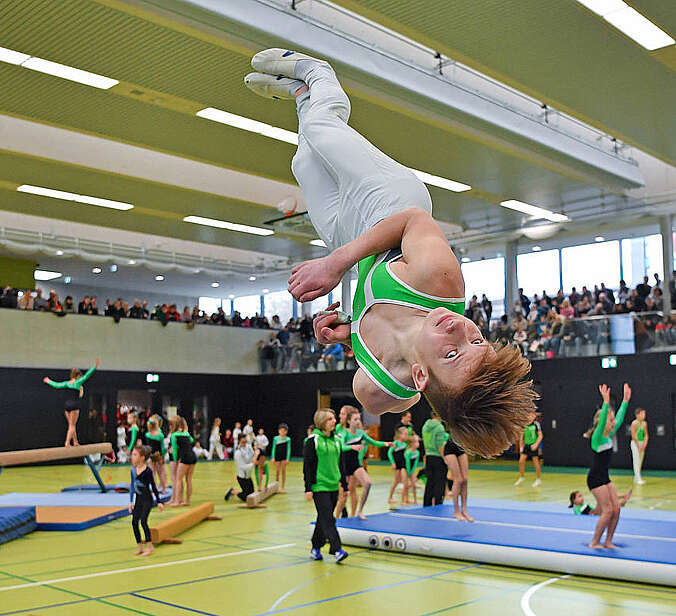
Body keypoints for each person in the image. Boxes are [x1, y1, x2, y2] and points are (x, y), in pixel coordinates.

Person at [246, 48, 537, 458]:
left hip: (349, 234)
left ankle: (300, 94)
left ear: (419, 376)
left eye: (453, 353)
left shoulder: (377, 385)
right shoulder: (439, 280)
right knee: (321, 128)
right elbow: (412, 220)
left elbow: (384, 343)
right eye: (478, 342)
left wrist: (346, 336)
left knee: (304, 163)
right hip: (390, 203)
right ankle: (316, 73)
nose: (461, 329)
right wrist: (335, 264)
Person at [584, 383, 631, 549]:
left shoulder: (609, 434)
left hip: (605, 477)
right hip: (595, 479)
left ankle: (608, 541)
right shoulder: (597, 437)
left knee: (616, 509)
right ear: (603, 422)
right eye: (610, 421)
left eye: (612, 421)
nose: (613, 423)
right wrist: (605, 403)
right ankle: (594, 542)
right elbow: (604, 419)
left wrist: (625, 401)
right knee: (608, 511)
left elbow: (618, 419)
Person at [303, 408, 349, 563]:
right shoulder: (313, 440)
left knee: (323, 518)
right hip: (319, 486)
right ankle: (337, 549)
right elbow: (307, 466)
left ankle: (315, 548)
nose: (334, 421)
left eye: (334, 418)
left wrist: (345, 484)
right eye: (330, 419)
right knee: (329, 518)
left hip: (333, 486)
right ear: (322, 422)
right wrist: (308, 488)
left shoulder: (337, 440)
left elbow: (341, 464)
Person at [338, 407, 391, 518]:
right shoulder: (344, 433)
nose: (358, 422)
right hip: (343, 466)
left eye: (359, 419)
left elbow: (374, 443)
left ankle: (359, 511)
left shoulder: (361, 433)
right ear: (349, 421)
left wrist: (386, 444)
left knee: (367, 483)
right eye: (355, 419)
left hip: (355, 465)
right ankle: (335, 517)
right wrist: (352, 446)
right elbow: (341, 447)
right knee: (343, 496)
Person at [43, 358, 99, 446]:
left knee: (71, 425)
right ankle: (67, 442)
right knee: (72, 425)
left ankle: (75, 442)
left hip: (66, 406)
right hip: (74, 405)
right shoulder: (78, 382)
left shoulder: (67, 383)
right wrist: (94, 367)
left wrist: (49, 381)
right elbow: (87, 376)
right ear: (77, 376)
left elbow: (57, 385)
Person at [129, 445, 164, 557]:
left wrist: (158, 501)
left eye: (135, 455)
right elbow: (132, 487)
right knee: (134, 522)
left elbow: (153, 487)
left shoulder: (148, 471)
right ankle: (140, 547)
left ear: (142, 457)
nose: (132, 457)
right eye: (132, 454)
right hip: (138, 500)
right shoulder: (133, 471)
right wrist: (130, 502)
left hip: (147, 500)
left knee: (143, 521)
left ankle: (149, 546)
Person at [443, 432, 473, 521]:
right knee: (458, 479)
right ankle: (456, 511)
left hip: (461, 447)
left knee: (465, 479)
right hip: (450, 449)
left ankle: (464, 510)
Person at [422, 409, 447, 506]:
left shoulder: (425, 426)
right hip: (438, 458)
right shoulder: (439, 427)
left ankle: (427, 503)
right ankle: (438, 504)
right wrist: (445, 459)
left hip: (429, 456)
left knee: (429, 482)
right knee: (439, 483)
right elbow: (440, 446)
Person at [226, 434, 259, 502]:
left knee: (252, 495)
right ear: (239, 441)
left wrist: (256, 454)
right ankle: (232, 491)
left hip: (248, 476)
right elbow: (243, 467)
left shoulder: (249, 447)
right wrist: (253, 464)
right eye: (242, 441)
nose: (244, 442)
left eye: (245, 440)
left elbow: (253, 455)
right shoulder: (238, 453)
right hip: (242, 477)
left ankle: (236, 492)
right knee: (246, 498)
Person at [171, 417, 196, 507]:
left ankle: (177, 501)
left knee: (178, 479)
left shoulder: (174, 435)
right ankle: (187, 501)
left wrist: (175, 460)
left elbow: (174, 450)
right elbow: (192, 440)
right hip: (193, 456)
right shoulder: (187, 433)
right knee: (188, 479)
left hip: (185, 458)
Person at [515, 414, 544, 487]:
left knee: (535, 462)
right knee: (521, 461)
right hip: (526, 445)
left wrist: (536, 444)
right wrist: (521, 447)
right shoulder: (524, 425)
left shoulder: (536, 425)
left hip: (533, 445)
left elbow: (540, 435)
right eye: (529, 416)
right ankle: (521, 477)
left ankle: (538, 479)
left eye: (532, 416)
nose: (530, 417)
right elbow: (521, 437)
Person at [144, 416, 167, 493]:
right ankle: (163, 489)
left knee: (152, 473)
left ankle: (154, 489)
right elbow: (162, 447)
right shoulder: (160, 435)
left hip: (151, 455)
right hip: (158, 454)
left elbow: (147, 447)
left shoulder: (147, 434)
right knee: (161, 473)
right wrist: (162, 457)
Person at [387, 426, 409, 505]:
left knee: (405, 482)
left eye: (407, 434)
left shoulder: (405, 444)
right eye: (405, 434)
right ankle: (390, 497)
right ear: (400, 435)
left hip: (403, 464)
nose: (407, 436)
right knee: (396, 481)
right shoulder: (395, 443)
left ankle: (404, 500)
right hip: (397, 464)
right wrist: (393, 463)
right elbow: (389, 453)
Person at [630, 407, 648, 485]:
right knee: (636, 460)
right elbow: (633, 435)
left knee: (640, 461)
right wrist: (638, 445)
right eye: (642, 414)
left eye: (644, 414)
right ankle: (638, 478)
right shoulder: (634, 423)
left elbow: (646, 435)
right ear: (637, 415)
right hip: (635, 443)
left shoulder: (644, 423)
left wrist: (644, 444)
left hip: (641, 443)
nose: (644, 415)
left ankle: (636, 477)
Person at [271, 423, 292, 493]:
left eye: (284, 431)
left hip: (284, 456)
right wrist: (273, 457)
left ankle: (282, 487)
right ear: (279, 431)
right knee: (277, 471)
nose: (282, 432)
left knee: (283, 471)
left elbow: (289, 449)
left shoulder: (288, 439)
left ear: (286, 431)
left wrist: (288, 458)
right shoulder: (276, 438)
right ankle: (276, 487)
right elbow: (273, 448)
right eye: (281, 430)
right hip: (277, 456)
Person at [402, 433, 421, 505]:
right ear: (412, 444)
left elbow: (415, 463)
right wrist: (408, 472)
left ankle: (415, 500)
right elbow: (407, 463)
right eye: (416, 442)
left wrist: (412, 471)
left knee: (414, 485)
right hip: (405, 469)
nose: (418, 444)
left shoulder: (417, 452)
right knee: (405, 485)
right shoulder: (408, 452)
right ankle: (404, 500)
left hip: (411, 470)